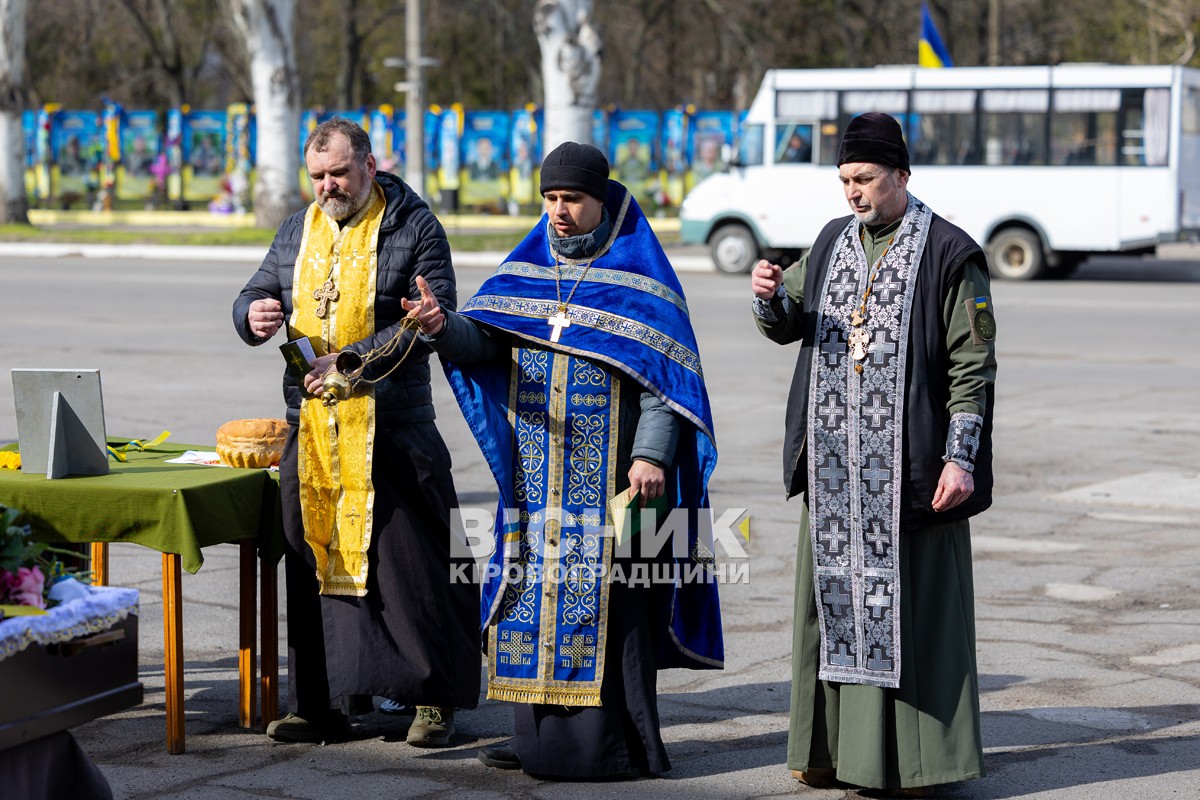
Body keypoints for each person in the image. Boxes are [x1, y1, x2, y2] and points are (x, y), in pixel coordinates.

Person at [403, 142, 724, 779]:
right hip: (537, 477)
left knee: (614, 607)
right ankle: (536, 740)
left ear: (599, 200)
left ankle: (615, 747)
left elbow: (667, 381)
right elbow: (483, 343)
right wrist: (442, 327)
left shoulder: (643, 277)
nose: (558, 211)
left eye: (571, 199)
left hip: (614, 480)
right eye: (550, 199)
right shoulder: (525, 269)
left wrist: (650, 454)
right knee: (529, 599)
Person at [750, 112, 996, 796]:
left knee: (914, 620)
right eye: (844, 180)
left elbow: (973, 366)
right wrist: (768, 298)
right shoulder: (833, 240)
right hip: (835, 474)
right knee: (831, 617)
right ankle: (831, 754)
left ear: (901, 176)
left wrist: (961, 458)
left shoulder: (952, 252)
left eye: (863, 179)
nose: (851, 193)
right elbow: (788, 320)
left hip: (911, 473)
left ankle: (919, 764)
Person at [232, 117, 480, 747]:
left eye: (338, 173)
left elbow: (428, 321)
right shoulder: (297, 227)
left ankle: (431, 704)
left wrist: (347, 364)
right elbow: (258, 289)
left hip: (394, 426)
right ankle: (322, 705)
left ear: (370, 166)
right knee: (311, 554)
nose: (327, 187)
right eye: (316, 176)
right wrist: (251, 313)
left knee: (412, 568)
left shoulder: (416, 225)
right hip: (312, 431)